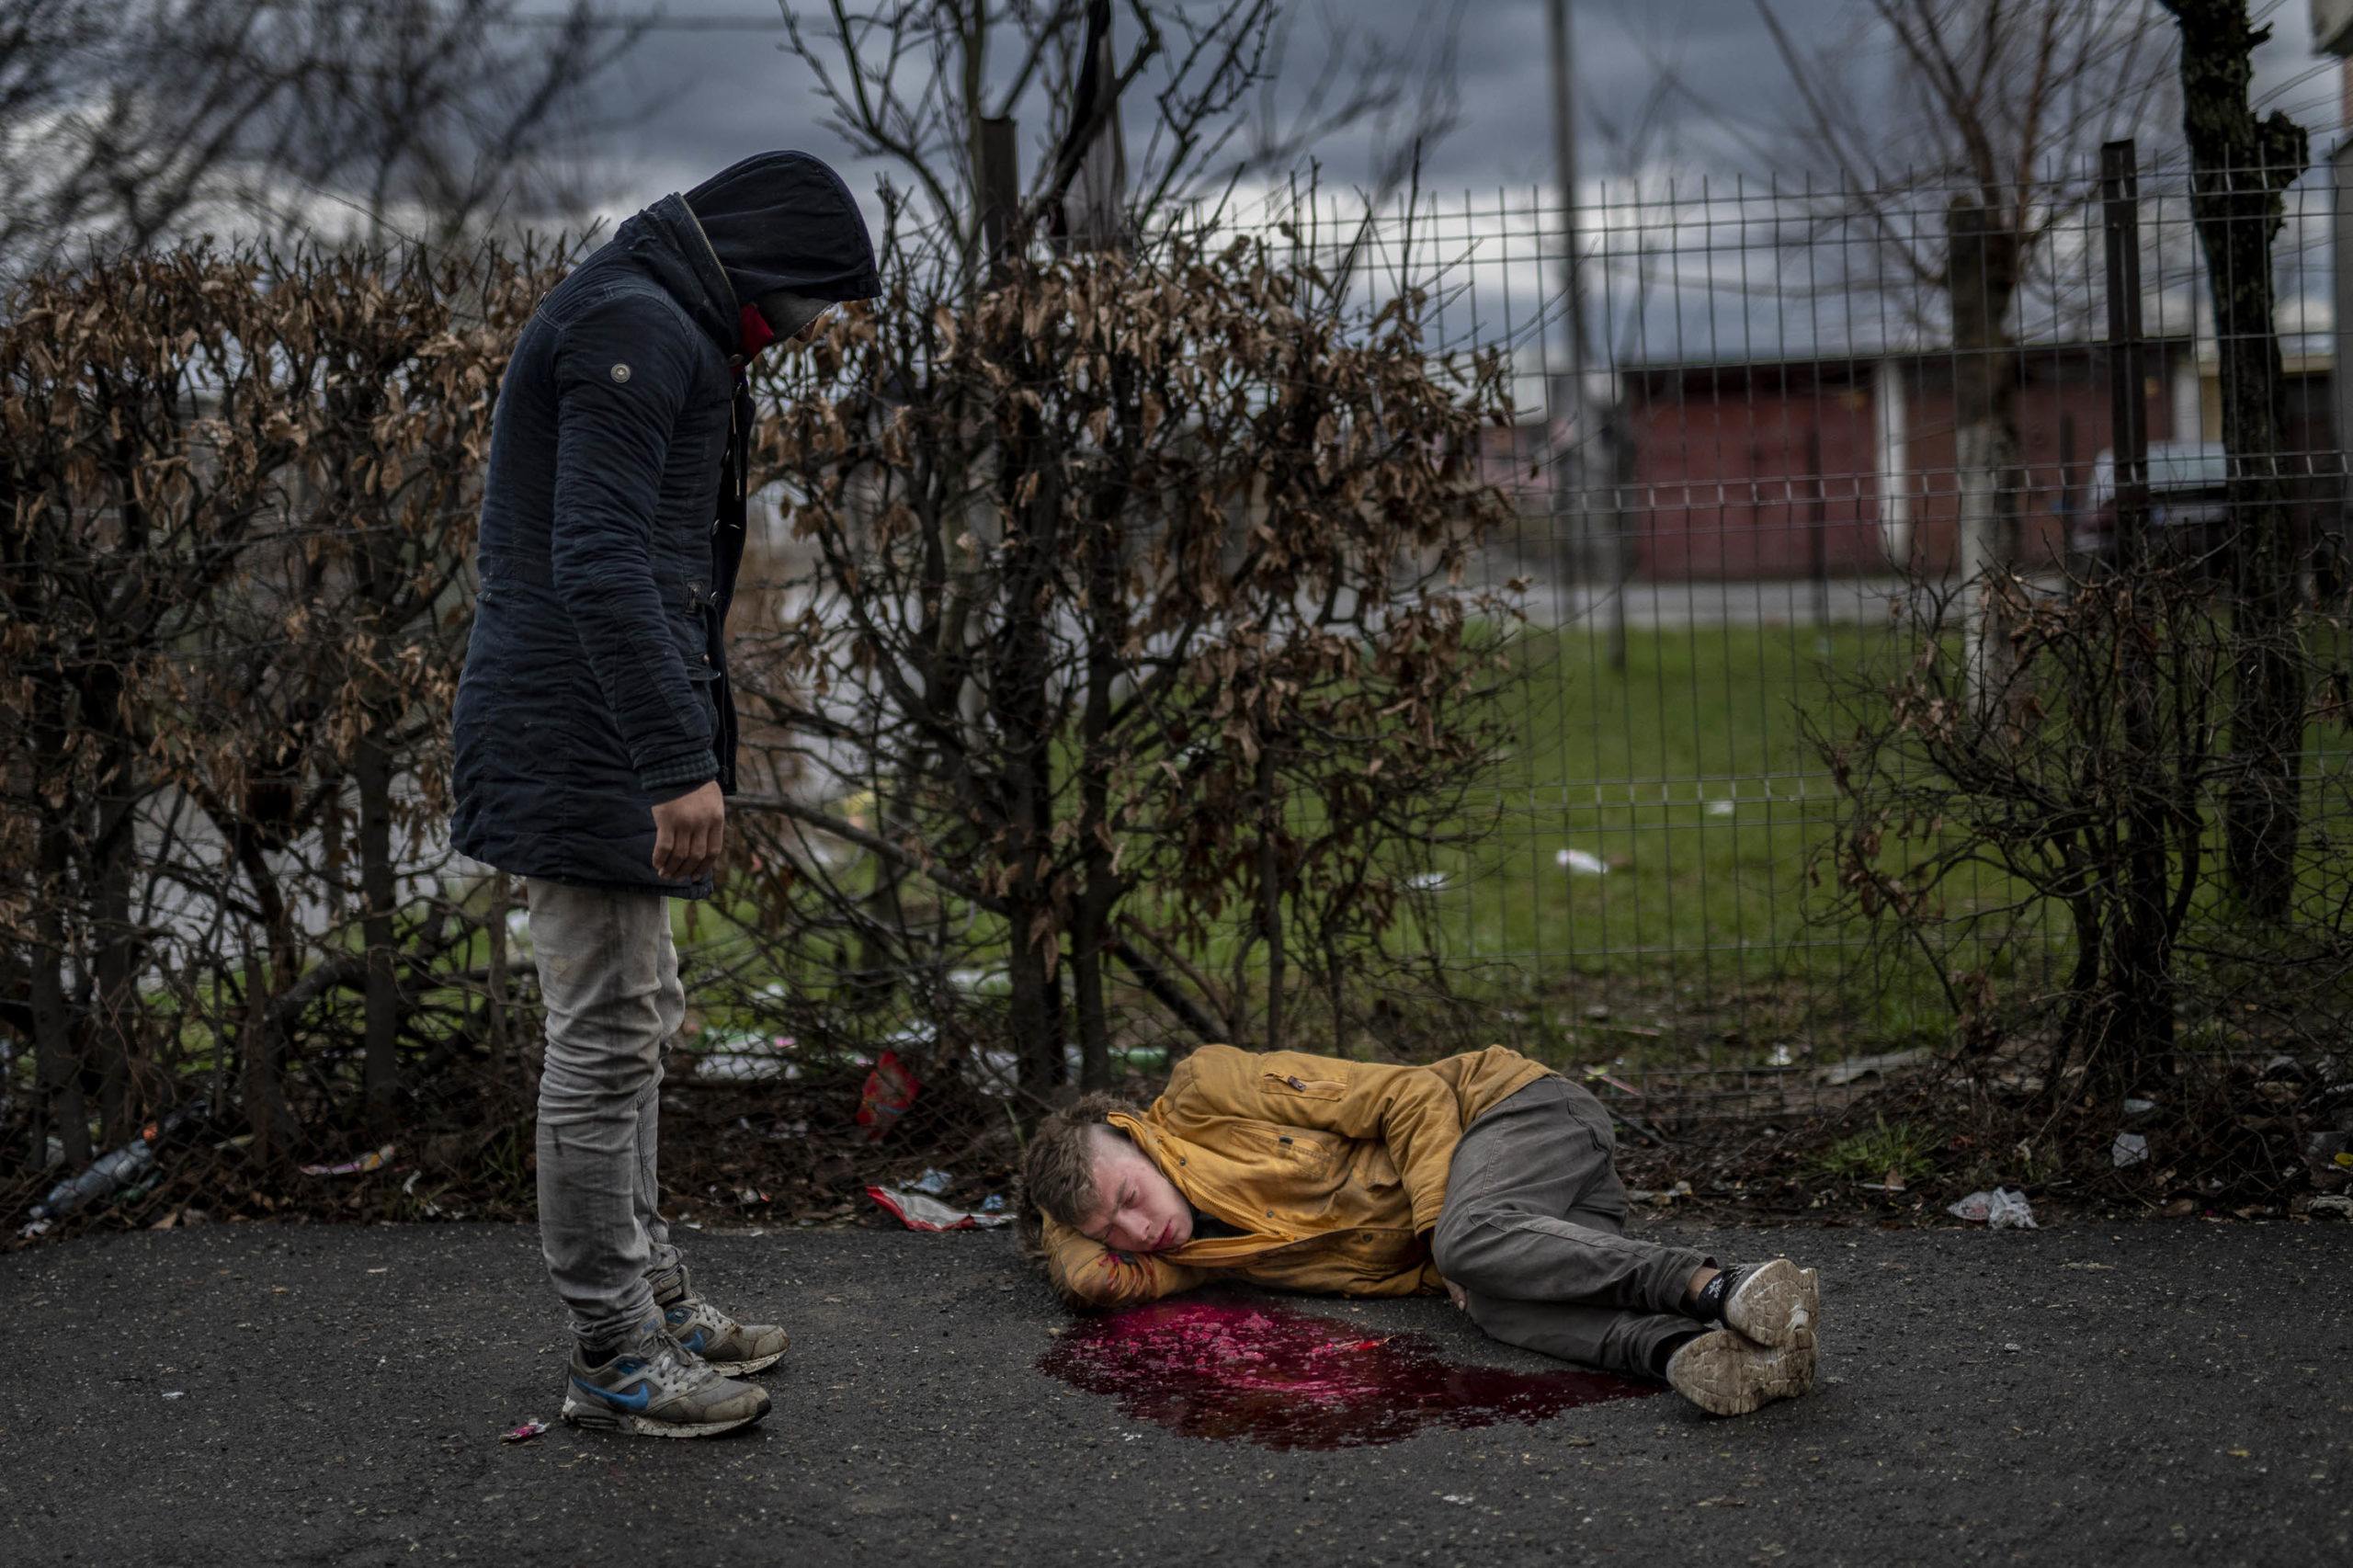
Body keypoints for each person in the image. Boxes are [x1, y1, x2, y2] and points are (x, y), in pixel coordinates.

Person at [452, 151, 880, 1438]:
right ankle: (617, 1354)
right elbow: (599, 559)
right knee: (599, 1043)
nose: (799, 332)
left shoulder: (661, 313)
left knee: (634, 1021)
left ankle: (653, 1300)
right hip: (580, 740)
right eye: (804, 303)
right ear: (759, 266)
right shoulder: (638, 324)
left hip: (591, 733)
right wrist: (674, 762)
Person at [1019, 1043, 1821, 1416]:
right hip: (1542, 1233)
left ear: (1131, 1132)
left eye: (1127, 1195)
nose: (1137, 1230)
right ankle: (1694, 1354)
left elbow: (1409, 1096)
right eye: (1111, 1231)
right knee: (1497, 1309)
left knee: (1469, 1251)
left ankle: (1716, 1286)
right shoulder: (1193, 1256)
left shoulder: (1206, 1093)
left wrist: (1444, 1234)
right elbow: (1089, 1278)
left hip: (1518, 1115)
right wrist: (1059, 1218)